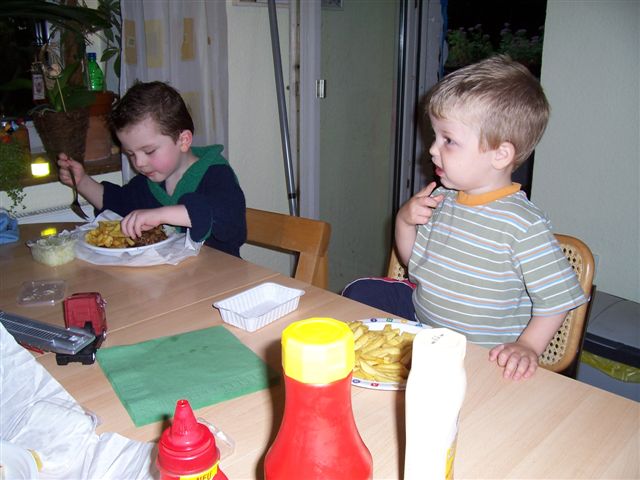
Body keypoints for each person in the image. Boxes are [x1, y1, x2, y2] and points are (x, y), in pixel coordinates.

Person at [344, 55, 587, 381]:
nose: (432, 149)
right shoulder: (443, 199)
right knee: (358, 293)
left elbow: (557, 299)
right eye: (435, 137)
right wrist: (404, 222)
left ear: (500, 154)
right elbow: (414, 264)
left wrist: (528, 345)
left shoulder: (523, 226)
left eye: (448, 140)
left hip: (481, 354)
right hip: (423, 324)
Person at [57, 81, 246, 257]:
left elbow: (225, 216)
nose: (139, 163)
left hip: (222, 276)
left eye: (149, 151)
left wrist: (159, 215)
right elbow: (118, 202)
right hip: (175, 276)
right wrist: (82, 181)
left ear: (183, 140)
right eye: (130, 154)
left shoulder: (216, 174)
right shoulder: (148, 182)